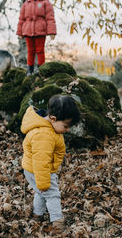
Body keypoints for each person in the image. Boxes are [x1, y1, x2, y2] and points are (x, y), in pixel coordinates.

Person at [21, 95, 80, 232]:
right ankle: (58, 223)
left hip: (35, 170)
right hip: (40, 171)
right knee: (52, 194)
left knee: (40, 193)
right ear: (53, 119)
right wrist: (44, 182)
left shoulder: (50, 127)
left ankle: (38, 215)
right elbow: (41, 161)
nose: (67, 130)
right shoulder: (44, 135)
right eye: (66, 126)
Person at [16, 0, 57, 76]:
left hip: (40, 31)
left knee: (40, 51)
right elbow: (21, 19)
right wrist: (20, 32)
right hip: (28, 31)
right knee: (30, 51)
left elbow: (50, 18)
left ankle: (41, 70)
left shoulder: (45, 3)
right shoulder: (26, 4)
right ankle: (29, 70)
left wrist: (52, 32)